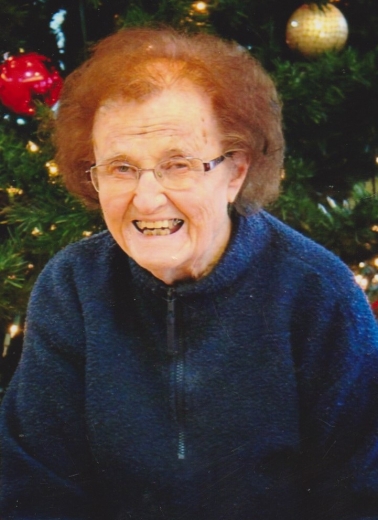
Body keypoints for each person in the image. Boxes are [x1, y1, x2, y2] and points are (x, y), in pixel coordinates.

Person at [1, 26, 378, 520]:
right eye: (120, 167)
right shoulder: (72, 286)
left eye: (177, 164)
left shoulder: (316, 292)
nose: (147, 197)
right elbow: (34, 482)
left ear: (235, 171)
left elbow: (359, 491)